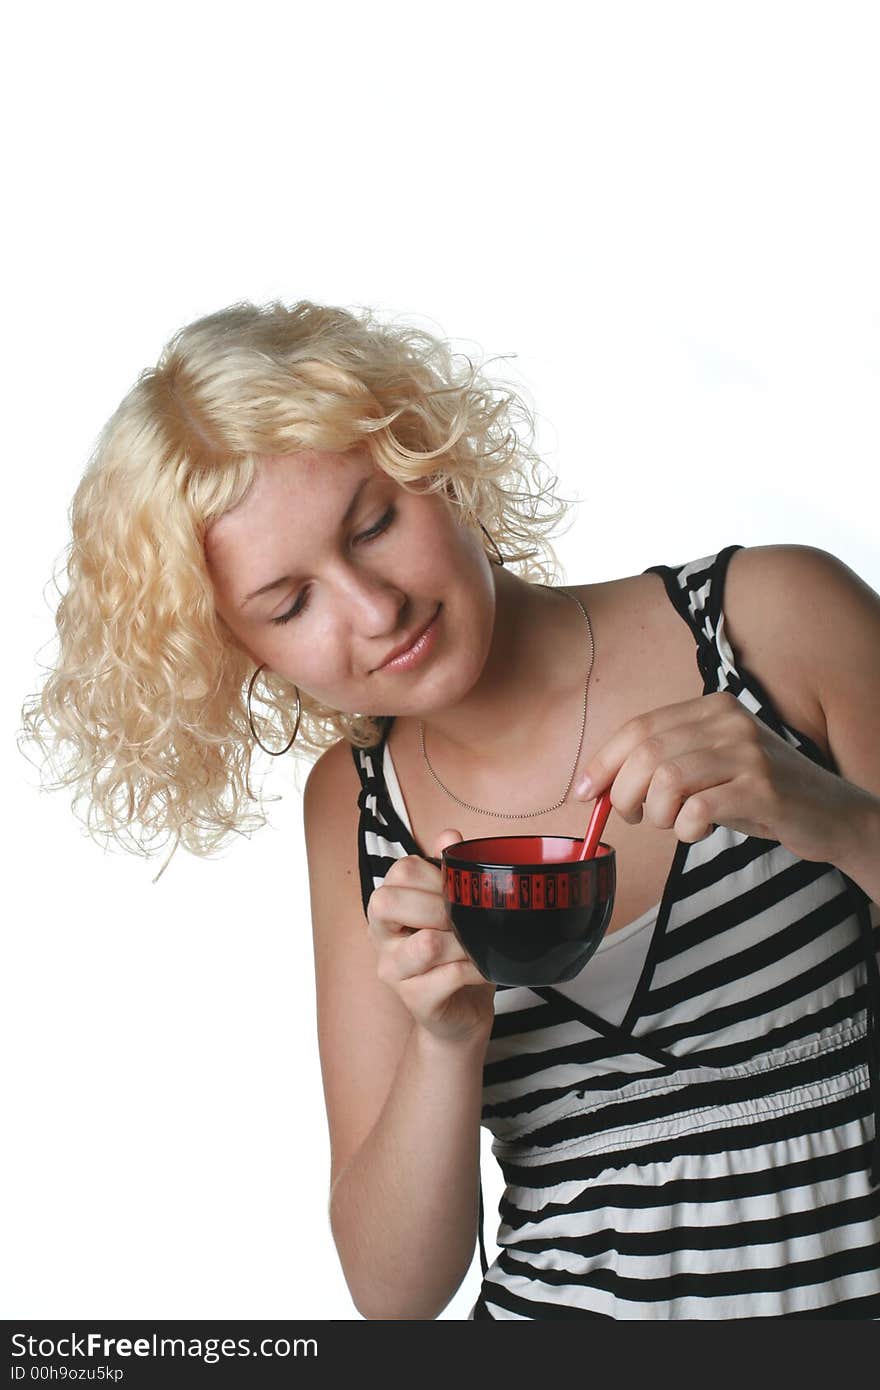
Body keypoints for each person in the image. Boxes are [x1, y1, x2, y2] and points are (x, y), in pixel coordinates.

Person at [19, 298, 880, 1320]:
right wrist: (443, 1040)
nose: (374, 608)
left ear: (432, 452)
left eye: (373, 522)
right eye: (291, 604)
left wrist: (834, 820)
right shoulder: (354, 805)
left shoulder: (770, 621)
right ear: (239, 653)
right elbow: (395, 1293)